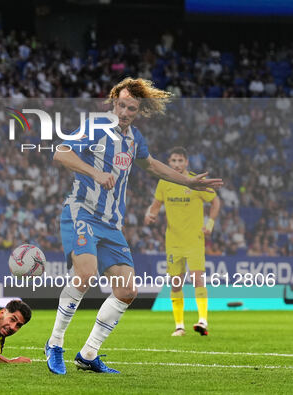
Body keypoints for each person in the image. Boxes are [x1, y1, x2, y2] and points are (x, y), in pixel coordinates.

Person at [45, 78, 223, 375]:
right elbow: (60, 153)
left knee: (127, 290)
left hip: (111, 225)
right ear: (113, 101)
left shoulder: (134, 138)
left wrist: (189, 181)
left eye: (131, 108)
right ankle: (55, 343)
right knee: (86, 274)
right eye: (121, 105)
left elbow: (152, 165)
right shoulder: (95, 126)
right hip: (81, 212)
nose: (125, 112)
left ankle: (89, 354)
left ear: (138, 111)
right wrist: (95, 173)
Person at [144, 146, 221, 336]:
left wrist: (209, 224)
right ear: (169, 163)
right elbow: (156, 205)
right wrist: (150, 214)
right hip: (173, 241)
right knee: (176, 283)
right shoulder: (164, 182)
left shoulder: (195, 181)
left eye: (180, 161)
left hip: (194, 239)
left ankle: (202, 321)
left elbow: (215, 201)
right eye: (173, 161)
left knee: (197, 278)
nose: (177, 164)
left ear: (186, 162)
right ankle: (179, 326)